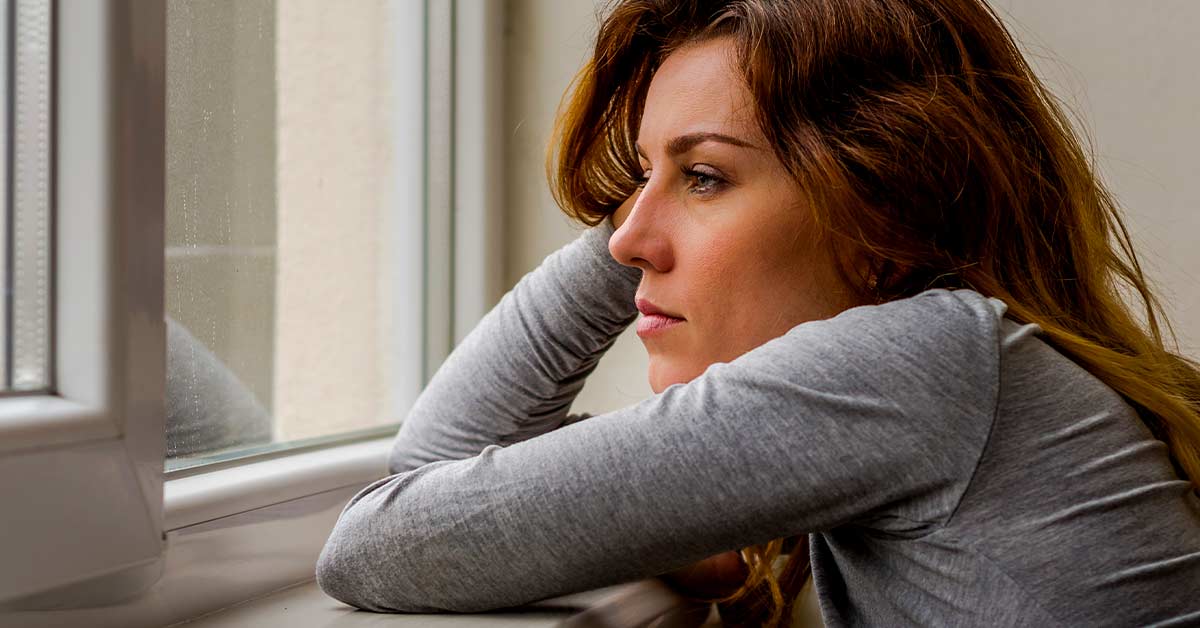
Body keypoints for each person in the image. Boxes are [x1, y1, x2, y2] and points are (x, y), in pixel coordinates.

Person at [316, 0, 1200, 625]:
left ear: (884, 213)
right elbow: (439, 479)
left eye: (704, 176)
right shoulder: (966, 371)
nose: (627, 240)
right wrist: (649, 205)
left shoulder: (920, 364)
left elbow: (382, 539)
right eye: (638, 179)